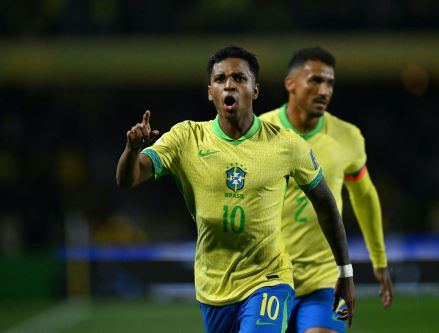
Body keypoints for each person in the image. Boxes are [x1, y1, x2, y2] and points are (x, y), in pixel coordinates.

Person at [116, 46, 355, 333]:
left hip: (269, 279)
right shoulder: (186, 138)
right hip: (213, 287)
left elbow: (326, 204)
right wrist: (132, 150)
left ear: (255, 90)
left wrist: (345, 271)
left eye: (239, 78)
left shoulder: (287, 145)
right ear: (210, 92)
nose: (229, 84)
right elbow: (129, 178)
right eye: (220, 79)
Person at [260, 47, 392, 333]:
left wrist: (379, 259)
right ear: (290, 84)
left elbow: (365, 197)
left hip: (325, 280)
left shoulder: (348, 137)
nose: (324, 90)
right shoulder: (259, 132)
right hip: (265, 281)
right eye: (316, 81)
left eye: (330, 83)